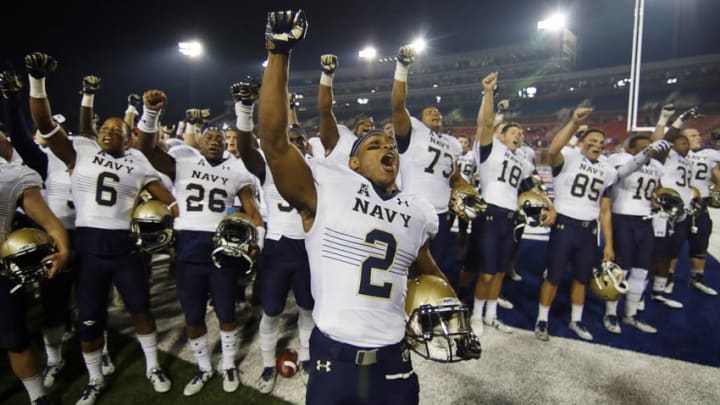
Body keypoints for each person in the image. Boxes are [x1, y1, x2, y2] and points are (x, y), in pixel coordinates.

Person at [260, 10, 457, 404]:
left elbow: (425, 266)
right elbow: (274, 140)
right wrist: (278, 53)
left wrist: (448, 302)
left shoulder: (417, 209)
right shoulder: (327, 187)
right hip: (335, 358)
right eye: (373, 145)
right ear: (352, 162)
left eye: (390, 145)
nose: (387, 147)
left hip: (395, 358)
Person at [25, 52, 177, 405]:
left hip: (126, 247)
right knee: (89, 316)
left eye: (117, 130)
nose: (109, 132)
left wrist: (169, 222)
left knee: (140, 308)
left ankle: (152, 366)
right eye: (104, 129)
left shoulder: (138, 160)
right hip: (89, 246)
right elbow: (43, 120)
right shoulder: (80, 150)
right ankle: (94, 379)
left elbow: (168, 200)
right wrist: (38, 81)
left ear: (127, 138)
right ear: (97, 134)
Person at [134, 89, 265, 396]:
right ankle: (204, 367)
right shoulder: (183, 163)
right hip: (188, 249)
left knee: (226, 312)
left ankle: (229, 363)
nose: (216, 140)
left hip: (224, 251)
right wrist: (151, 115)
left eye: (221, 138)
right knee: (193, 314)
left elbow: (253, 213)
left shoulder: (236, 171)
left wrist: (257, 241)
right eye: (210, 137)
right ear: (199, 142)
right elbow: (145, 150)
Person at [2, 70, 118, 387]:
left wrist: (88, 98)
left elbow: (86, 126)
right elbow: (20, 135)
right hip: (56, 238)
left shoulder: (98, 157)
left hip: (90, 237)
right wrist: (13, 100)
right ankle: (54, 359)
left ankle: (101, 349)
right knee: (54, 304)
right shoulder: (48, 160)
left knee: (93, 301)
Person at [233, 77, 316, 393]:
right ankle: (268, 365)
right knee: (270, 309)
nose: (294, 142)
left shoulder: (318, 170)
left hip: (309, 249)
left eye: (299, 139)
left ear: (306, 146)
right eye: (290, 138)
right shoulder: (269, 167)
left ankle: (307, 358)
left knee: (308, 308)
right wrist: (244, 109)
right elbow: (245, 150)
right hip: (278, 247)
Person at [469, 72, 555, 336]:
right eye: (513, 132)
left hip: (511, 217)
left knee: (499, 273)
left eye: (521, 133)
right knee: (485, 272)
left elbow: (534, 188)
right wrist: (488, 93)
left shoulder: (524, 161)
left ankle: (492, 314)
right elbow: (484, 124)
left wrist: (550, 206)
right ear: (501, 135)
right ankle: (475, 314)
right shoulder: (490, 148)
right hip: (490, 213)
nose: (519, 135)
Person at [534, 107, 617, 342]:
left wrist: (608, 243)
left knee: (582, 278)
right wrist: (572, 122)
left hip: (589, 230)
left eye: (601, 141)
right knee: (553, 276)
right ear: (581, 143)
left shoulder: (608, 171)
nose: (598, 144)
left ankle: (576, 319)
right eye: (592, 140)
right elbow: (553, 149)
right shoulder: (569, 156)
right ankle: (542, 319)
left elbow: (605, 210)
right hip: (565, 225)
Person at [391, 45, 470, 288]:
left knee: (437, 265)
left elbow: (454, 176)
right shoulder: (413, 132)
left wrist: (468, 191)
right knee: (406, 266)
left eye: (437, 112)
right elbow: (397, 106)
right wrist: (402, 68)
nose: (435, 113)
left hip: (443, 214)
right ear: (420, 119)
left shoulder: (451, 144)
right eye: (429, 112)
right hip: (412, 209)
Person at [1, 161, 70, 405]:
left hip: (2, 271)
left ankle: (38, 396)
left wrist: (62, 251)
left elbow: (49, 222)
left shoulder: (10, 175)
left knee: (15, 338)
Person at [604, 134, 670, 333]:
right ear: (631, 149)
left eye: (649, 147)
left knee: (641, 270)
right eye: (642, 147)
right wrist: (645, 154)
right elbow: (621, 173)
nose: (648, 150)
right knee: (621, 270)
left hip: (645, 219)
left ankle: (630, 315)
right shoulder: (619, 158)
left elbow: (655, 190)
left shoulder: (656, 166)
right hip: (623, 218)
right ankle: (611, 313)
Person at [683, 127, 719, 295]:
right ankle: (665, 279)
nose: (698, 137)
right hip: (680, 202)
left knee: (701, 240)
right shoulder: (675, 154)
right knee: (672, 244)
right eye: (693, 135)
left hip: (701, 202)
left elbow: (715, 174)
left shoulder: (710, 154)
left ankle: (697, 278)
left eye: (698, 134)